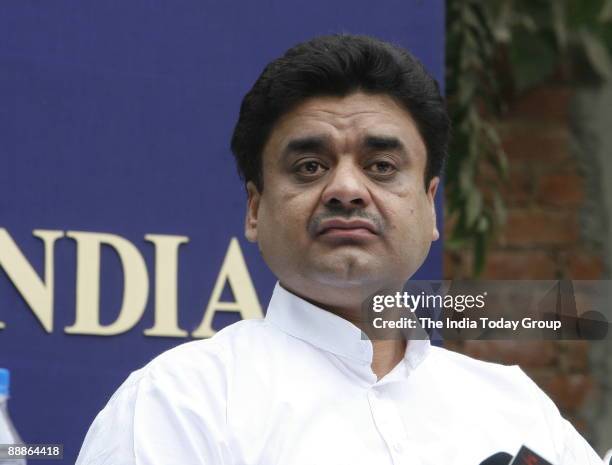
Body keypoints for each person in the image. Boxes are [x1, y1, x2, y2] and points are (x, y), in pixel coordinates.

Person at [76, 34, 603, 465]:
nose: (346, 190)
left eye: (381, 167)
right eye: (310, 166)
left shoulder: (513, 407)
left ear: (431, 206)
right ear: (255, 210)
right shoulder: (178, 404)